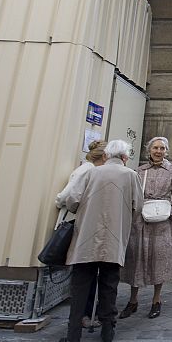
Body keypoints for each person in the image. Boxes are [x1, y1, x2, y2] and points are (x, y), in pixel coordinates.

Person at [57, 140, 143, 342]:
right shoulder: (131, 175)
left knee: (80, 288)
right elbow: (138, 206)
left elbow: (71, 200)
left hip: (86, 237)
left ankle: (73, 336)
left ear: (106, 156)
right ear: (125, 157)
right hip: (113, 239)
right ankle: (107, 330)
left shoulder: (90, 173)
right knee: (109, 286)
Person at [119, 136, 172, 320]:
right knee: (136, 260)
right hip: (140, 221)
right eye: (155, 148)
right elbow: (131, 195)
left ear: (167, 151)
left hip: (162, 223)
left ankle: (156, 300)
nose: (158, 151)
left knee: (160, 261)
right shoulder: (139, 171)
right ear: (149, 150)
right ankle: (133, 300)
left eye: (162, 148)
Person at [55, 140, 107, 328]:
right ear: (104, 156)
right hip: (78, 226)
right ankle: (83, 315)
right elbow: (67, 197)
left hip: (85, 227)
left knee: (87, 273)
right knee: (84, 274)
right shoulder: (87, 170)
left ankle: (85, 314)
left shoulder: (91, 170)